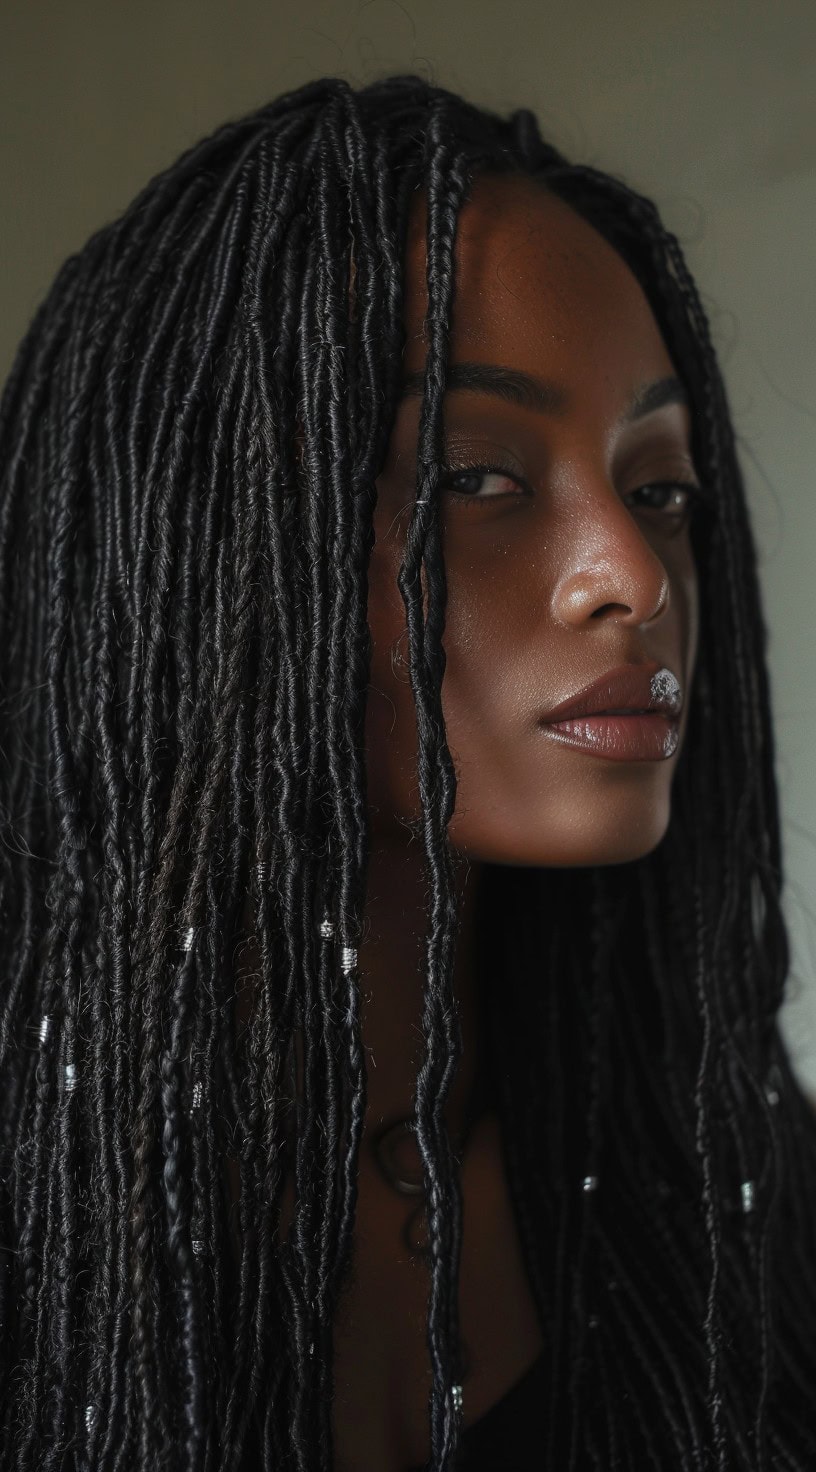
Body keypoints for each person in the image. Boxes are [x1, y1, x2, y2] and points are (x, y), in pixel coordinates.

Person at [0, 72, 814, 1472]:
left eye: (659, 486)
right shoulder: (39, 1201)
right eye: (474, 479)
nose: (630, 574)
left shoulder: (731, 1168)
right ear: (205, 545)